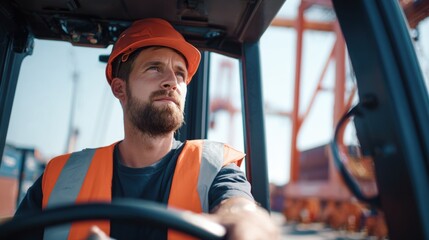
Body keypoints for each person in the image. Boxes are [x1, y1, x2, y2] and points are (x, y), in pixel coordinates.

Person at [15, 18, 280, 240]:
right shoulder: (60, 176)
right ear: (120, 88)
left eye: (180, 73)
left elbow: (239, 208)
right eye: (154, 68)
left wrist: (247, 225)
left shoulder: (214, 167)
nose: (171, 82)